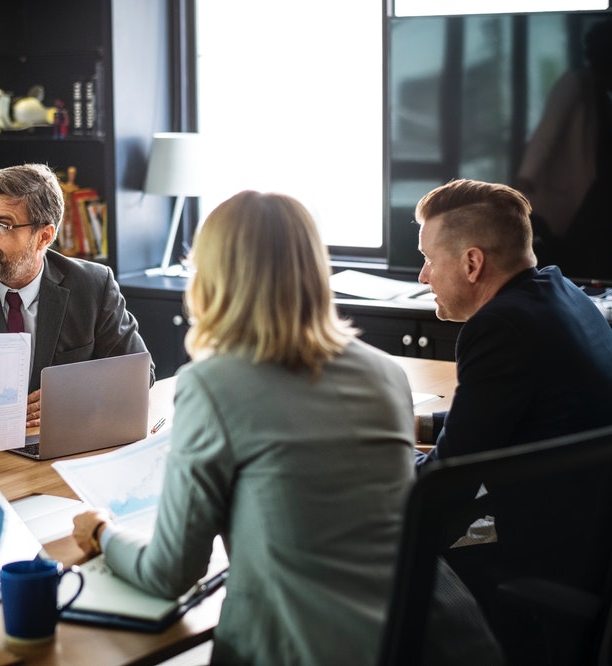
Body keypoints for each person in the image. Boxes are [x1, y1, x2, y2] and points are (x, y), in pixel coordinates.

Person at [71, 190, 500, 665]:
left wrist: (102, 533)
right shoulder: (385, 373)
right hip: (424, 639)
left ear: (211, 277)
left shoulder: (212, 384)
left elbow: (169, 572)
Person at [412, 178, 612, 659]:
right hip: (585, 529)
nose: (423, 277)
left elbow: (448, 481)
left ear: (472, 262)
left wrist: (377, 473)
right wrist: (416, 428)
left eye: (429, 259)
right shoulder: (564, 295)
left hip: (534, 547)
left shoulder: (499, 327)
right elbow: (507, 419)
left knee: (374, 541)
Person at [0, 163, 153, 471]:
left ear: (44, 237)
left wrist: (68, 398)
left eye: (2, 225)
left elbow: (138, 373)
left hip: (64, 456)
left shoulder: (92, 285)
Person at [516, 18, 612, 280]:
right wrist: (524, 185)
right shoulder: (576, 83)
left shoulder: (600, 92)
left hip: (589, 198)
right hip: (565, 202)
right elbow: (546, 135)